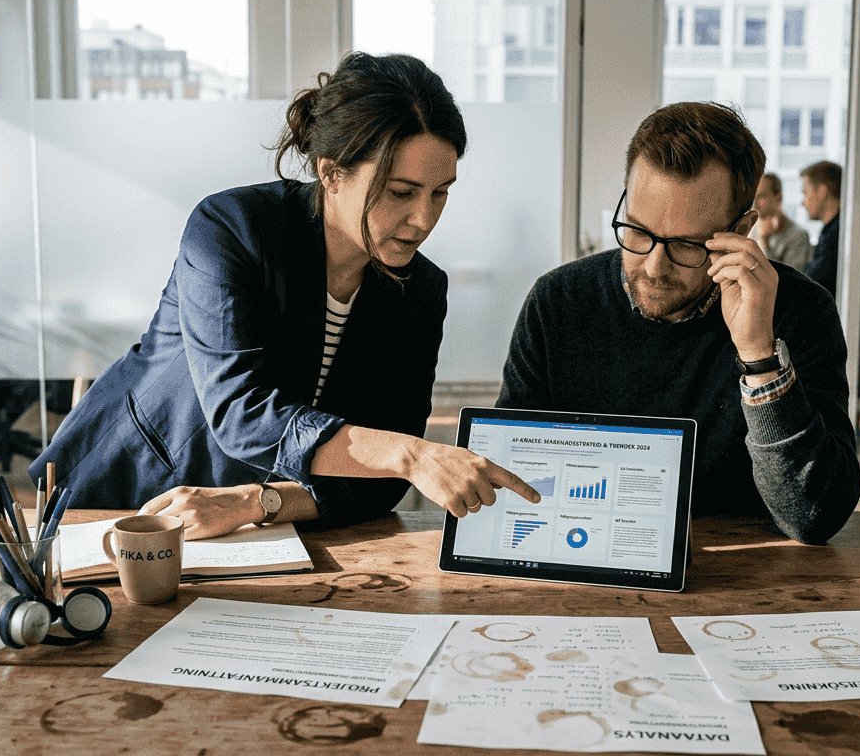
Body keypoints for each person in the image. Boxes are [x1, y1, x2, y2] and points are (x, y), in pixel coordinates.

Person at [31, 52, 538, 538]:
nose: (423, 219)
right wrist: (412, 454)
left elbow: (379, 483)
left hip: (253, 534)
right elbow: (243, 412)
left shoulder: (420, 290)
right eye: (400, 193)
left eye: (440, 192)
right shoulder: (232, 229)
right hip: (123, 500)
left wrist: (258, 502)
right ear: (331, 171)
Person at [497, 102, 860, 545]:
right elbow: (509, 485)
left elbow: (815, 518)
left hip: (750, 578)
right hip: (588, 556)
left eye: (687, 244)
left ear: (742, 229)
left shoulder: (799, 309)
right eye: (637, 230)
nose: (653, 265)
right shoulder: (558, 303)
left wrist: (759, 357)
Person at [800, 161, 860, 359]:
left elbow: (812, 284)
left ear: (822, 191)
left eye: (805, 192)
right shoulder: (847, 226)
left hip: (856, 341)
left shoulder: (843, 235)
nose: (803, 201)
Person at [750, 173, 811, 273]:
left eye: (761, 196)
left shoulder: (798, 236)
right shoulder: (750, 230)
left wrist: (764, 241)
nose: (754, 203)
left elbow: (789, 281)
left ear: (779, 197)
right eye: (753, 196)